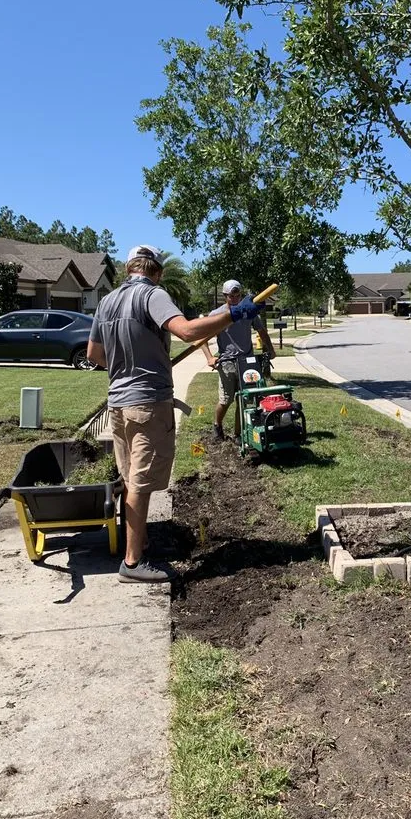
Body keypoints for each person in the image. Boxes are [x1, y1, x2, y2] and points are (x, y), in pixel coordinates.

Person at [86, 246, 265, 583]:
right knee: (140, 483)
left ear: (129, 269)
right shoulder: (153, 295)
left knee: (130, 479)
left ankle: (140, 541)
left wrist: (132, 365)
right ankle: (134, 562)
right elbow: (187, 331)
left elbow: (94, 353)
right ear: (159, 271)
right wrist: (235, 314)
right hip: (147, 403)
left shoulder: (107, 302)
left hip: (119, 404)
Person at [198, 278, 276, 441]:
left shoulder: (249, 311)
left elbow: (262, 332)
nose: (234, 299)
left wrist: (271, 349)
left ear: (241, 295)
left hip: (247, 362)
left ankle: (239, 434)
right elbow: (201, 338)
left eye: (237, 295)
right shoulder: (216, 315)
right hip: (226, 363)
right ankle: (217, 426)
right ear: (224, 295)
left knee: (244, 399)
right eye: (230, 296)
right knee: (226, 400)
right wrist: (209, 357)